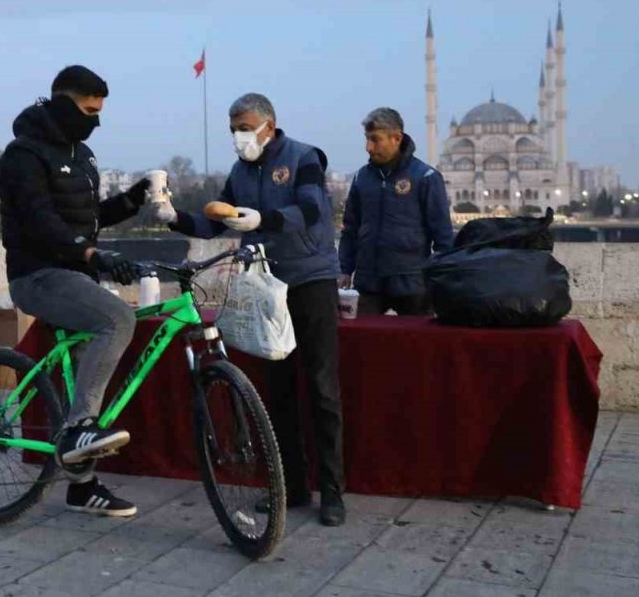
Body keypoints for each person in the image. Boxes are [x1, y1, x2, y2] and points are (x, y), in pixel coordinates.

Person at [161, 92, 347, 526]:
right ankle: (292, 486)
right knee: (277, 390)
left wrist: (264, 220)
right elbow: (216, 221)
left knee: (322, 387)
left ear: (269, 123)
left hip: (310, 279)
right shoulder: (240, 171)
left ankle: (333, 492)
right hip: (265, 285)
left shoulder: (303, 158)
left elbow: (312, 209)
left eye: (244, 128)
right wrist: (174, 216)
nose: (239, 137)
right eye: (233, 130)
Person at [0, 65, 150, 517]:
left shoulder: (82, 156)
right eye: (88, 110)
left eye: (100, 112)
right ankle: (81, 428)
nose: (95, 121)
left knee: (81, 371)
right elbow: (40, 220)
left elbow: (84, 220)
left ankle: (81, 486)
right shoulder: (21, 155)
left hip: (75, 275)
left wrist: (131, 202)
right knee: (117, 318)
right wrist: (88, 254)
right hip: (37, 275)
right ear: (64, 103)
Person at [338, 107, 454, 316]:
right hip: (367, 283)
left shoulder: (425, 177)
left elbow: (443, 237)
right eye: (366, 139)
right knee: (364, 342)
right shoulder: (361, 178)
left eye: (375, 139)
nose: (368, 147)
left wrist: (437, 278)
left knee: (416, 344)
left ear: (396, 138)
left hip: (412, 284)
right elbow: (350, 229)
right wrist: (345, 269)